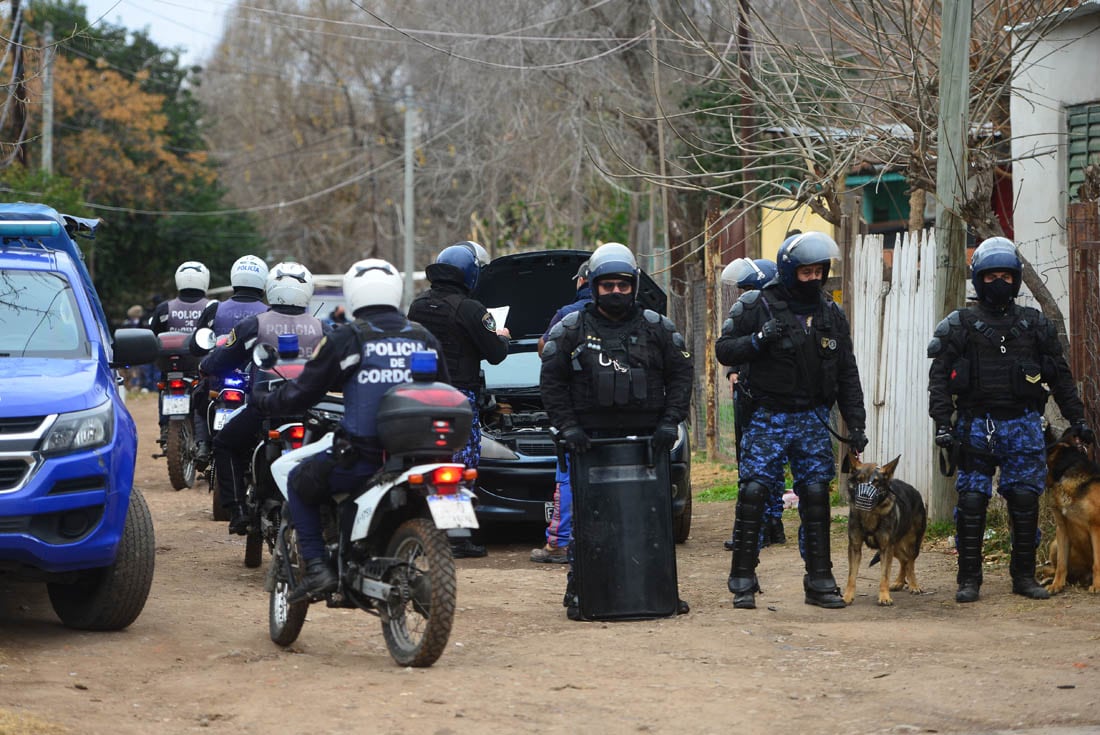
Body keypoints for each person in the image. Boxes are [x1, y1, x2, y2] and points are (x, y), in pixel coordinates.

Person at [251, 259, 448, 601]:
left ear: (354, 294)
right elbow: (445, 388)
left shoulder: (349, 338)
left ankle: (317, 570)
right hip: (421, 456)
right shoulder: (424, 338)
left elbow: (304, 390)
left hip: (364, 458)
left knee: (299, 483)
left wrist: (265, 403)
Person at [927, 236, 1093, 603]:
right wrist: (942, 423)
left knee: (1023, 501)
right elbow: (939, 379)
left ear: (1016, 279)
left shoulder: (1035, 325)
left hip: (1023, 425)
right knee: (971, 503)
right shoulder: (960, 325)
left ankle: (1023, 576)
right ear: (977, 279)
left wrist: (1077, 419)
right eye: (990, 276)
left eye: (1005, 275)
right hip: (975, 425)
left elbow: (1061, 377)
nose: (998, 283)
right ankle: (968, 579)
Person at [540, 242, 693, 619]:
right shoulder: (571, 329)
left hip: (648, 443)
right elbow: (552, 381)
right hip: (589, 444)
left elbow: (681, 374)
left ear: (634, 285)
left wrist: (669, 423)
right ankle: (581, 589)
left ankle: (659, 590)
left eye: (622, 285)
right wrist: (568, 427)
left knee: (653, 521)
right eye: (607, 285)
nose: (615, 292)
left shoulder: (658, 328)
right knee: (588, 523)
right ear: (594, 286)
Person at [715, 231, 867, 610]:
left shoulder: (831, 313)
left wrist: (857, 426)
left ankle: (819, 580)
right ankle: (743, 579)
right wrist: (758, 341)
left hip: (813, 417)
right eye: (805, 272)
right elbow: (724, 349)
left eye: (819, 271)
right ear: (788, 271)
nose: (813, 278)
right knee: (753, 493)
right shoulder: (757, 305)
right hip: (769, 415)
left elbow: (847, 372)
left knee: (816, 496)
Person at [200, 262, 327, 534]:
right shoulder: (321, 327)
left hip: (266, 410)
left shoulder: (255, 324)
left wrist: (207, 366)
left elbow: (223, 358)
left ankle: (237, 510)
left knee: (225, 444)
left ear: (272, 288)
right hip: (312, 413)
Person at [407, 242, 510, 558]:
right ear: (470, 274)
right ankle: (458, 538)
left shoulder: (417, 305)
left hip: (422, 396)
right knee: (461, 464)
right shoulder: (471, 309)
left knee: (426, 462)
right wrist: (502, 336)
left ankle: (423, 531)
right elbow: (496, 354)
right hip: (458, 397)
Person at [719, 257, 786, 552]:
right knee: (753, 465)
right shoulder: (747, 312)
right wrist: (732, 371)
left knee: (761, 468)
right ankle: (768, 524)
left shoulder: (779, 314)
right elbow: (732, 347)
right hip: (747, 395)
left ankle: (767, 524)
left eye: (749, 288)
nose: (744, 294)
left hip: (770, 399)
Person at [530, 258, 591, 564]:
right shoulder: (633, 315)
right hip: (621, 413)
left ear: (581, 282)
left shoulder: (567, 314)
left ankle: (560, 543)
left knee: (568, 476)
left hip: (574, 411)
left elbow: (544, 348)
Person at [188, 255, 270, 466]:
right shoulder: (268, 314)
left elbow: (196, 345)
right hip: (253, 381)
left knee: (199, 397)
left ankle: (203, 445)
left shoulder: (215, 309)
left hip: (218, 377)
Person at [148, 262, 212, 432]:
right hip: (201, 366)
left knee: (164, 385)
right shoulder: (212, 307)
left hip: (170, 366)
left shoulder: (164, 308)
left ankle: (164, 426)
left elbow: (153, 336)